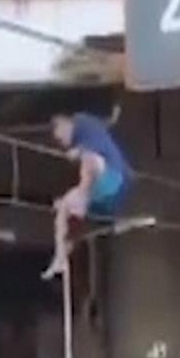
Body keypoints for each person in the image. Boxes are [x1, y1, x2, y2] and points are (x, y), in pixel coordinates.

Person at [41, 112, 132, 280]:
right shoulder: (79, 139)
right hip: (103, 195)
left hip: (115, 178)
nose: (63, 145)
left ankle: (93, 210)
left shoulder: (82, 123)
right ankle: (60, 257)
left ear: (64, 126)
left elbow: (98, 141)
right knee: (64, 208)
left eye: (61, 140)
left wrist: (80, 150)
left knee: (90, 159)